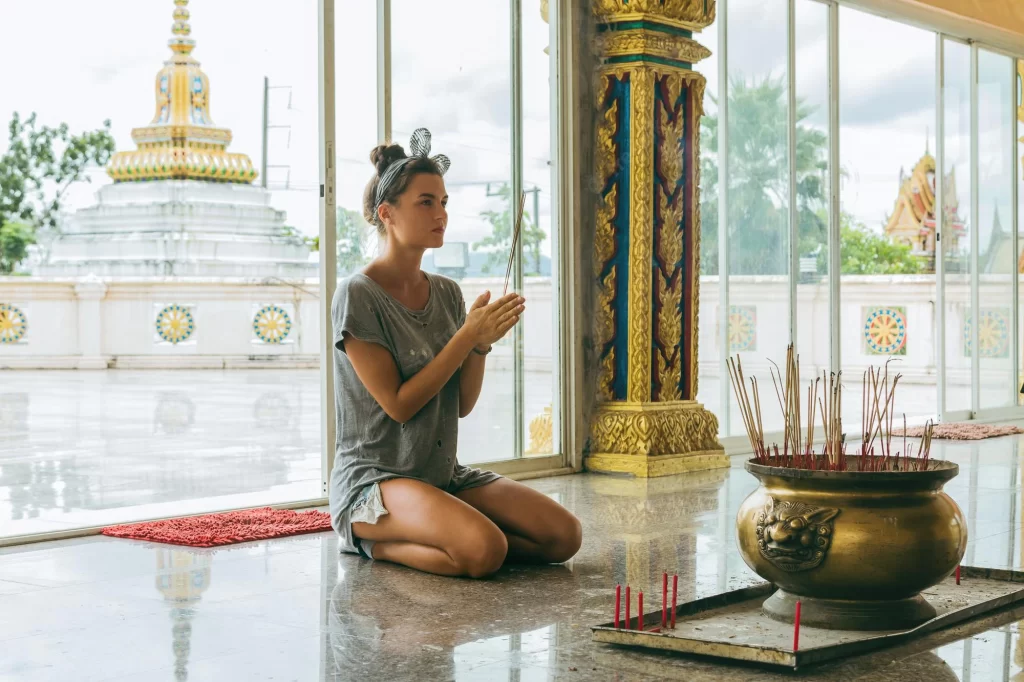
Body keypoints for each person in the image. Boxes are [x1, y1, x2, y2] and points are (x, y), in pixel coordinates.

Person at [329, 128, 582, 578]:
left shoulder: (446, 293)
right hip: (376, 482)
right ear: (386, 213)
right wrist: (465, 338)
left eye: (444, 202)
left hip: (441, 476)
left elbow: (461, 405)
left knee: (563, 537)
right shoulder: (358, 294)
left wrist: (480, 345)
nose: (440, 214)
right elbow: (400, 406)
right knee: (483, 551)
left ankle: (448, 528)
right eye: (426, 202)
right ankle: (369, 543)